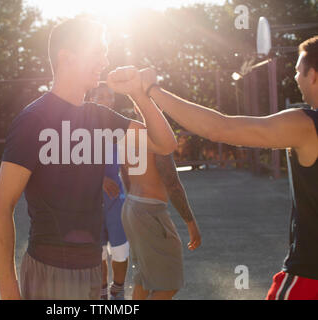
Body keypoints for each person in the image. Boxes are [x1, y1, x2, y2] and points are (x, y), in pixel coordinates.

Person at [0, 18, 177, 300]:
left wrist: (139, 92)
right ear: (66, 57)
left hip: (91, 270)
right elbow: (1, 206)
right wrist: (9, 293)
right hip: (50, 270)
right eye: (97, 51)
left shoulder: (100, 117)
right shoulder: (34, 120)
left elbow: (164, 143)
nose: (105, 60)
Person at [136, 35, 318, 300]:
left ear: (313, 75)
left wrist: (152, 89)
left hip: (310, 278)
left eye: (299, 71)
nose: (296, 77)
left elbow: (220, 128)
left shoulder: (307, 125)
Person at [119, 105, 201, 300]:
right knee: (168, 285)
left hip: (131, 207)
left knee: (143, 280)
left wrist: (135, 205)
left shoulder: (128, 134)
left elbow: (125, 173)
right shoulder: (158, 136)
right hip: (149, 211)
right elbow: (172, 183)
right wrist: (191, 223)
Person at [89, 83, 129, 300]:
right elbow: (71, 166)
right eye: (102, 96)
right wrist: (99, 178)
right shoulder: (81, 127)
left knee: (121, 250)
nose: (107, 100)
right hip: (91, 201)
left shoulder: (118, 126)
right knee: (99, 252)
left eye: (110, 96)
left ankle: (118, 292)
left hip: (116, 199)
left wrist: (133, 196)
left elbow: (128, 165)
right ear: (93, 98)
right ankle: (103, 292)